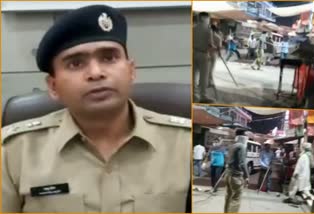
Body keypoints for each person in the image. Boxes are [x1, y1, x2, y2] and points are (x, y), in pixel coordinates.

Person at [2, 5, 191, 212]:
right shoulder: (13, 152)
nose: (96, 72)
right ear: (53, 87)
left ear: (131, 71)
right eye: (75, 63)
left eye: (109, 58)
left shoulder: (183, 143)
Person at [224, 129, 250, 213]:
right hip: (236, 176)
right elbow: (242, 163)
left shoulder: (232, 146)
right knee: (236, 198)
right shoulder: (241, 146)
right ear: (244, 136)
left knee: (228, 196)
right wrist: (247, 176)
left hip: (228, 174)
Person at [193, 12, 215, 103]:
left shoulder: (193, 29)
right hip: (203, 54)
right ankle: (203, 96)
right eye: (208, 18)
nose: (209, 20)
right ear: (204, 18)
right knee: (203, 77)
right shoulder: (208, 30)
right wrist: (214, 49)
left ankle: (193, 95)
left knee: (193, 75)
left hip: (193, 53)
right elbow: (210, 44)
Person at [208, 23, 222, 88]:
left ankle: (203, 82)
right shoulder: (218, 37)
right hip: (213, 55)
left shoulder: (207, 36)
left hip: (206, 54)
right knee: (211, 69)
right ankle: (209, 82)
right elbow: (219, 48)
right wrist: (219, 54)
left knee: (205, 69)